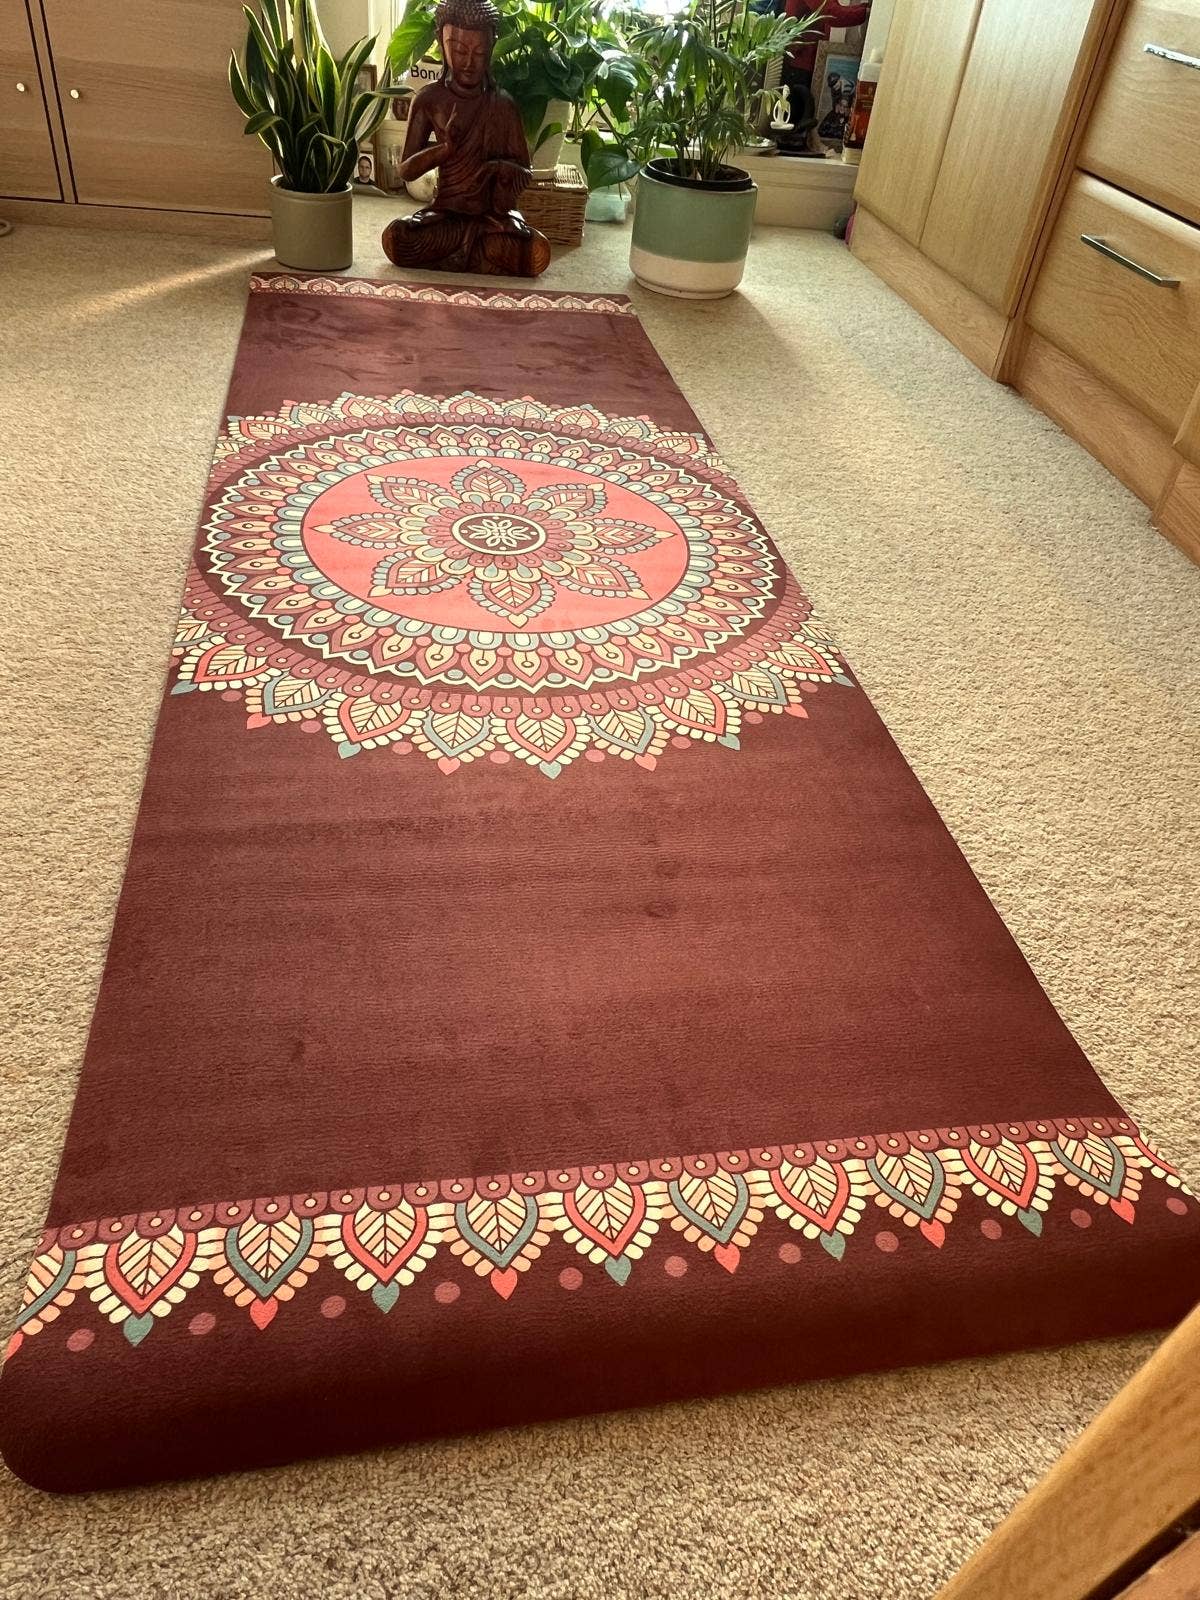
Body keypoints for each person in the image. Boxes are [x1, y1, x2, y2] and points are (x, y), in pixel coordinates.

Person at [381, 0, 550, 277]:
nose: (469, 63)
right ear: (441, 41)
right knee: (398, 237)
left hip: (491, 218)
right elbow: (406, 170)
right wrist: (444, 150)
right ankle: (475, 256)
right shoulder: (429, 100)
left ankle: (466, 254)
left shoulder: (502, 104)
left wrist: (497, 168)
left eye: (480, 52)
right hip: (447, 214)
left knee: (534, 251)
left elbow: (524, 172)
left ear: (491, 48)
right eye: (459, 50)